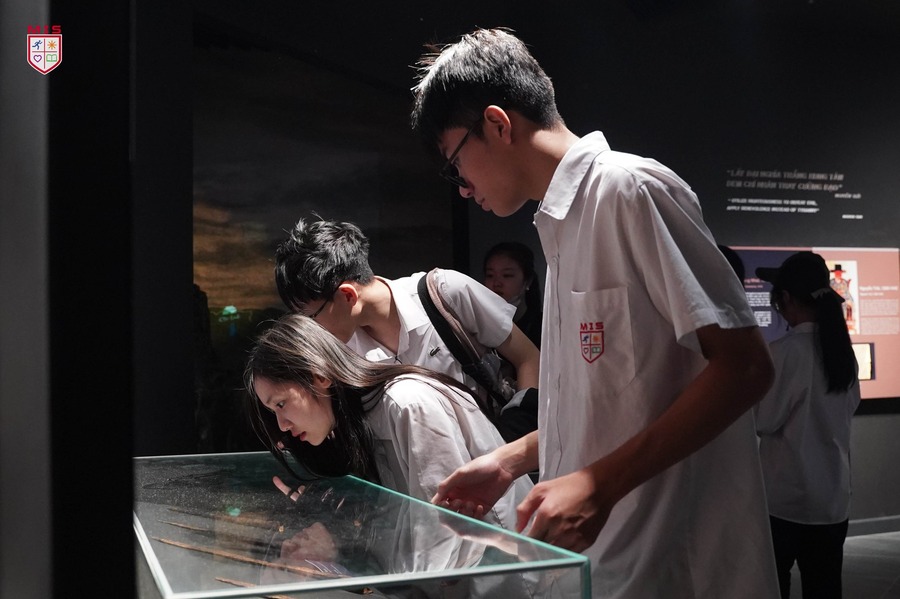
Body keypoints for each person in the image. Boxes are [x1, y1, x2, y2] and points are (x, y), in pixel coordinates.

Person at [411, 28, 779, 597]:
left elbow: (746, 367)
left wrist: (599, 484)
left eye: (455, 165)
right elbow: (611, 406)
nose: (462, 189)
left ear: (498, 125)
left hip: (667, 568)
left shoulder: (630, 190)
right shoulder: (560, 227)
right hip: (600, 570)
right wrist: (509, 461)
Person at [244, 314, 536, 597]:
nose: (282, 425)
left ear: (318, 375)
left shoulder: (406, 404)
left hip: (510, 579)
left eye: (281, 404)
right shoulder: (367, 420)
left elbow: (440, 533)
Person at [274, 217, 540, 441]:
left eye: (312, 316)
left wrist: (515, 435)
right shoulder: (339, 351)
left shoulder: (444, 293)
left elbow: (529, 357)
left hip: (495, 457)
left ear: (348, 296)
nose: (311, 328)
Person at [755, 251, 861, 599]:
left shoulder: (783, 352)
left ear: (785, 298)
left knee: (775, 586)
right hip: (832, 498)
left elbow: (764, 421)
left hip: (786, 499)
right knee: (825, 588)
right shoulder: (843, 353)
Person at [483, 241, 542, 348]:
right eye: (490, 275)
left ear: (527, 282)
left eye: (507, 275)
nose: (496, 283)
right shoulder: (479, 324)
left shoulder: (543, 327)